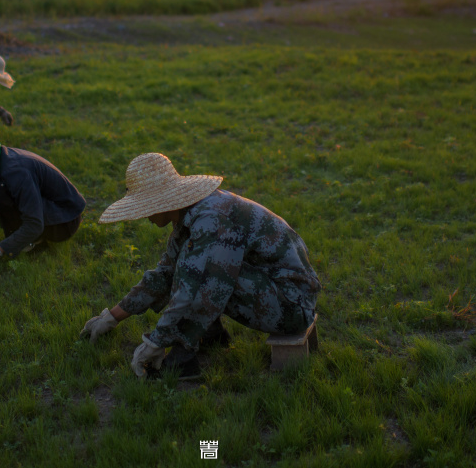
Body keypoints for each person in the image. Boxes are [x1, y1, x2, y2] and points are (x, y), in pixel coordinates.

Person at [81, 153, 321, 380]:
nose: (144, 216)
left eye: (146, 207)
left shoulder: (212, 219)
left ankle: (184, 356)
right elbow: (163, 275)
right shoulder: (190, 217)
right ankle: (211, 335)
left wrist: (156, 341)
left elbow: (198, 283)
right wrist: (111, 317)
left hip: (292, 305)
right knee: (190, 264)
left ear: (162, 201)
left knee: (196, 270)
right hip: (273, 290)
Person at [0, 131, 86, 270]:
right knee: (1, 195)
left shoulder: (16, 172)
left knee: (4, 197)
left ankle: (33, 241)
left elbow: (34, 223)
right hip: (51, 210)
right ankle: (24, 238)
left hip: (65, 220)